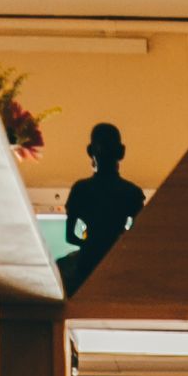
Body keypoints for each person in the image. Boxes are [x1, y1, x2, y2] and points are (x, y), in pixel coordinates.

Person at [59, 123, 145, 293]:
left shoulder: (81, 189)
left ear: (91, 151)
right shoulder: (131, 192)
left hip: (87, 262)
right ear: (121, 152)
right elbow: (138, 238)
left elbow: (70, 236)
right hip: (118, 263)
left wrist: (91, 244)